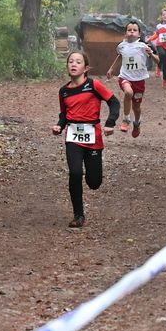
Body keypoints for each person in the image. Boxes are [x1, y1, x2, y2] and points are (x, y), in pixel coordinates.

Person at [53, 51, 121, 229]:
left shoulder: (93, 85)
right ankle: (78, 215)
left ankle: (92, 178)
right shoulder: (64, 91)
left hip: (93, 136)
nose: (73, 64)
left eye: (78, 62)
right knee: (75, 173)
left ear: (85, 68)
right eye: (71, 61)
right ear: (67, 66)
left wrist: (110, 123)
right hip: (73, 136)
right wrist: (59, 126)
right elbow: (64, 114)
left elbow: (114, 103)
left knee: (94, 182)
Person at [106, 20, 159, 138]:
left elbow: (157, 61)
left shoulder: (143, 46)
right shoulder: (121, 46)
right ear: (125, 33)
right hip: (125, 77)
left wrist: (151, 54)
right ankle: (126, 119)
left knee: (136, 107)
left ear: (139, 34)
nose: (131, 32)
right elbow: (120, 57)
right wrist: (112, 69)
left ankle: (137, 123)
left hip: (139, 80)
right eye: (129, 30)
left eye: (134, 30)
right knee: (128, 92)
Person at [151, 8, 166, 86]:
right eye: (163, 15)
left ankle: (164, 80)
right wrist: (150, 38)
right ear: (161, 16)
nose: (165, 16)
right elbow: (156, 34)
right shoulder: (158, 26)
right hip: (160, 44)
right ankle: (158, 68)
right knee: (162, 54)